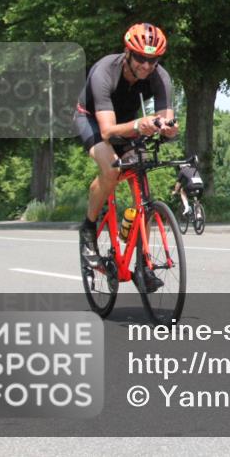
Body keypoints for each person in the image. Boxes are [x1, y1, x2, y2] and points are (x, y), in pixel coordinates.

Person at [74, 23, 178, 292]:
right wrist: (138, 125)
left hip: (129, 122)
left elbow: (166, 121)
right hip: (93, 121)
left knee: (141, 183)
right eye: (141, 58)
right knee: (111, 169)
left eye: (153, 60)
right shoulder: (104, 72)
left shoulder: (160, 77)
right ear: (128, 53)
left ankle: (142, 265)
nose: (146, 65)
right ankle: (88, 228)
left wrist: (169, 128)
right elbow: (108, 130)